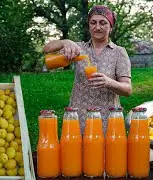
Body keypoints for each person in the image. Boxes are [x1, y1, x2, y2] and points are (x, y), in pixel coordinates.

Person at [43, 5, 132, 133]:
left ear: (111, 27)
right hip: (78, 117)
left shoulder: (119, 52)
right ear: (89, 26)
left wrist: (109, 82)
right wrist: (65, 42)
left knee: (106, 153)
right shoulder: (78, 49)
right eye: (93, 22)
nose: (97, 27)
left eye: (103, 23)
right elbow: (46, 50)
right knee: (76, 151)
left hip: (107, 119)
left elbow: (128, 90)